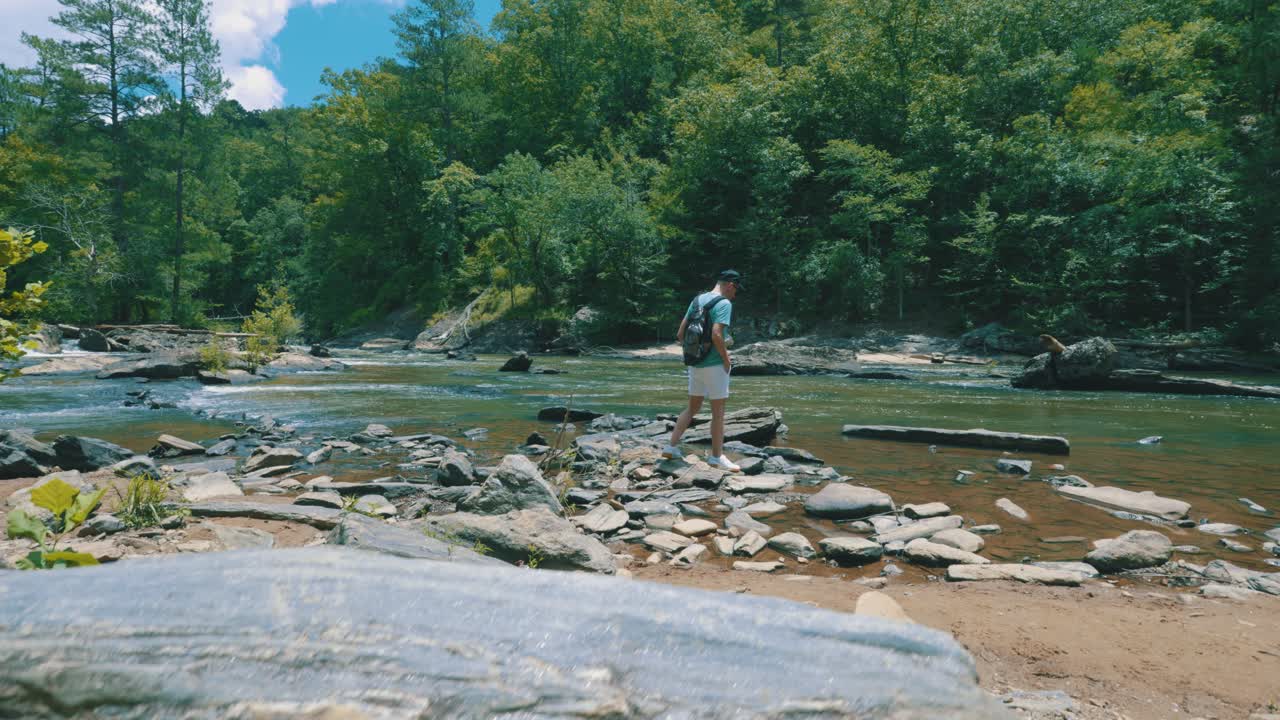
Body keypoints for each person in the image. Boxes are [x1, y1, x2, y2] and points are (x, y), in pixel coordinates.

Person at [663, 269, 744, 471]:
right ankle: (717, 457)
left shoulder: (697, 301)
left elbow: (680, 334)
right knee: (718, 414)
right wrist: (726, 360)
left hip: (695, 364)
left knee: (692, 408)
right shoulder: (724, 303)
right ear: (730, 285)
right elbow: (717, 334)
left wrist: (696, 353)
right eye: (736, 291)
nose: (735, 295)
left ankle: (671, 447)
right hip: (715, 366)